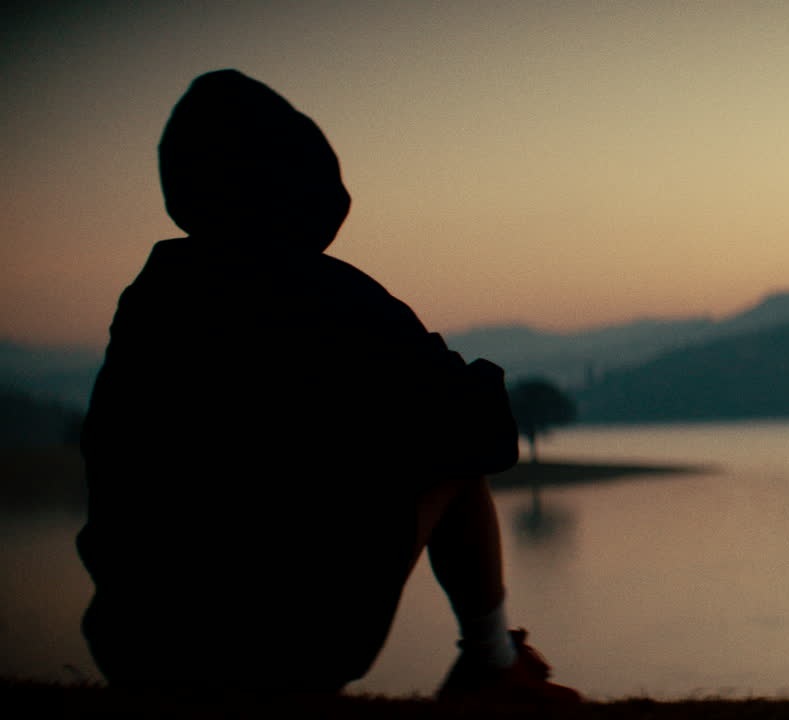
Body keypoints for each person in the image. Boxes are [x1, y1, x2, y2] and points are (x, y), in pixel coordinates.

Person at [76, 69, 580, 703]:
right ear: (310, 185)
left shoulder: (152, 298)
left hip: (132, 645)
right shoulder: (332, 297)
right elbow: (484, 429)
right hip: (287, 651)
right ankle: (491, 661)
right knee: (457, 442)